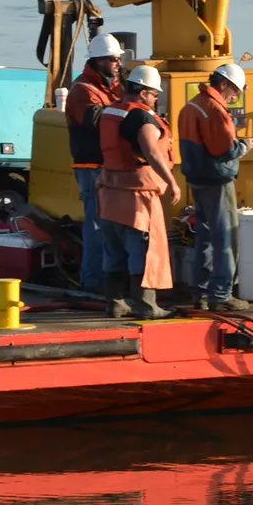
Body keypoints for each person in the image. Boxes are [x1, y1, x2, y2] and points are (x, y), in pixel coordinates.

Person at [97, 65, 180, 319]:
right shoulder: (141, 118)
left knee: (114, 250)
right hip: (136, 195)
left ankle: (115, 302)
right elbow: (151, 151)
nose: (156, 100)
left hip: (108, 191)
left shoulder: (110, 112)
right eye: (154, 94)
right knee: (142, 250)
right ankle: (147, 305)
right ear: (143, 93)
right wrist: (172, 182)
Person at [177, 62, 253, 311]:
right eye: (235, 91)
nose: (235, 97)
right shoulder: (214, 109)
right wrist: (245, 146)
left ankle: (200, 293)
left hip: (196, 178)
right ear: (223, 84)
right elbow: (224, 150)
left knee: (204, 238)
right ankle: (221, 295)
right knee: (225, 238)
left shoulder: (191, 106)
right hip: (217, 181)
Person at [65, 31, 124, 292]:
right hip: (91, 168)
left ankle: (109, 278)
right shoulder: (82, 90)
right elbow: (98, 121)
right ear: (99, 61)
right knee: (97, 226)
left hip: (109, 167)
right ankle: (93, 281)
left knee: (110, 226)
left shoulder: (112, 87)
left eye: (118, 59)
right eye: (114, 59)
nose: (118, 64)